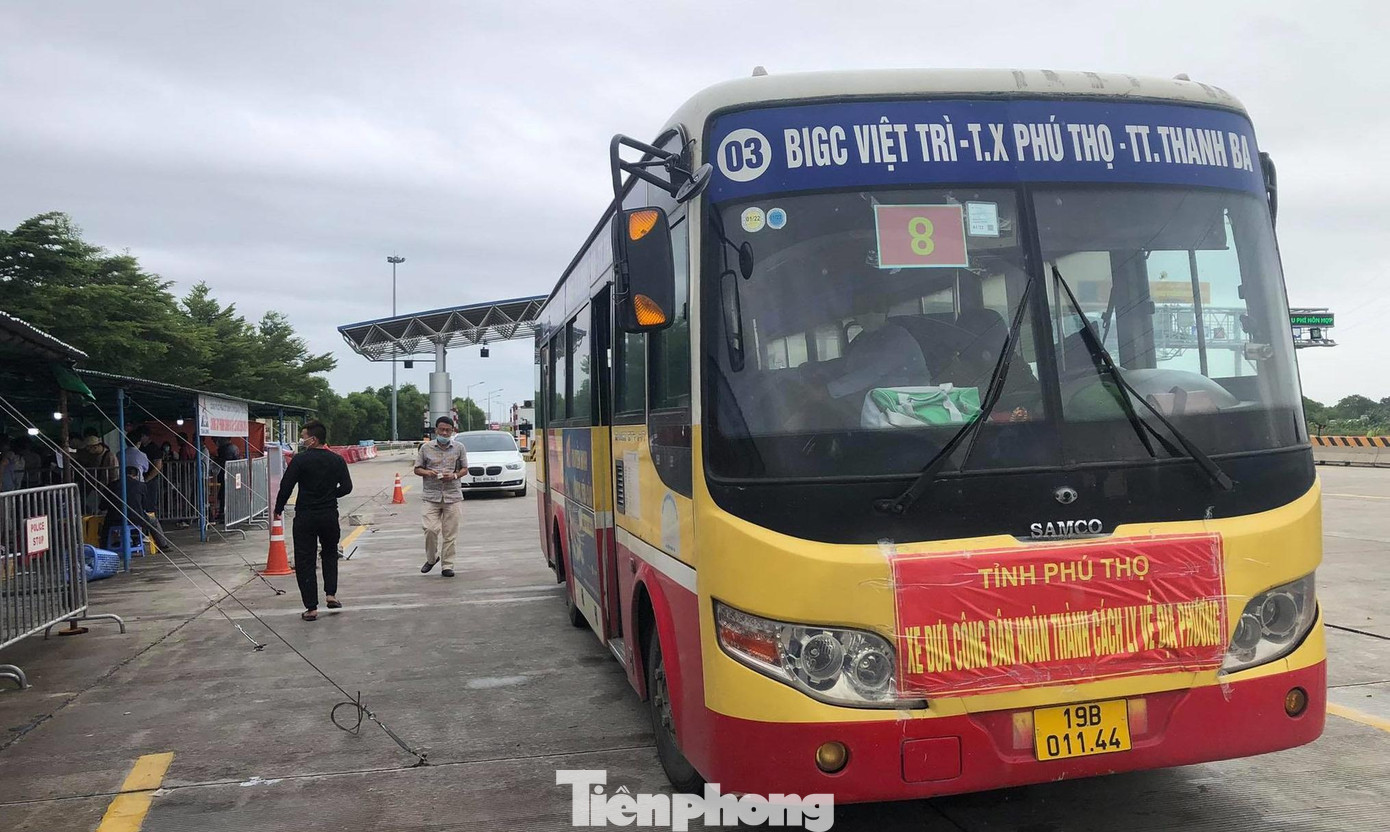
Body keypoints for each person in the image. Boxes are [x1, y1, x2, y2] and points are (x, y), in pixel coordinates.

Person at [273, 420, 352, 621]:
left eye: (303, 436)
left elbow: (286, 486)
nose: (302, 440)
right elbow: (347, 487)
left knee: (305, 559)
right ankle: (331, 594)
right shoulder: (337, 460)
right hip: (329, 514)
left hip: (306, 516)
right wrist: (330, 494)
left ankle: (311, 607)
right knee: (330, 553)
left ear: (313, 439)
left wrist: (278, 508)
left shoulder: (300, 460)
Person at [414, 416, 467, 578]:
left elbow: (465, 469)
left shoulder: (459, 448)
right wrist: (428, 472)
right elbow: (417, 469)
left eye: (448, 430)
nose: (444, 432)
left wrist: (455, 476)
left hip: (452, 496)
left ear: (452, 431)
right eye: (441, 429)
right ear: (436, 430)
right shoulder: (426, 448)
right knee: (430, 529)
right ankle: (431, 558)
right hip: (431, 496)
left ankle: (447, 565)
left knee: (450, 533)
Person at [101, 466, 172, 552]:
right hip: (137, 518)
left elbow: (102, 506)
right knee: (154, 522)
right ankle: (163, 545)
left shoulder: (111, 485)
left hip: (114, 519)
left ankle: (104, 546)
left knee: (105, 525)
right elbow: (145, 505)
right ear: (135, 475)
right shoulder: (141, 486)